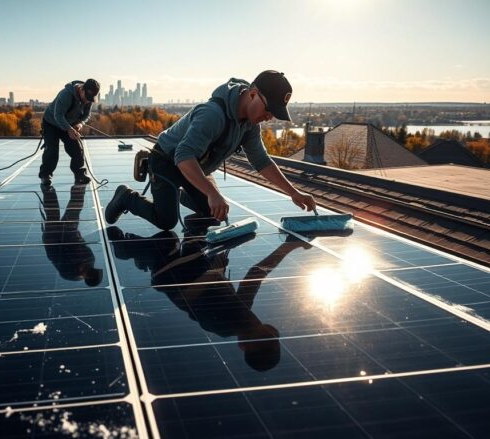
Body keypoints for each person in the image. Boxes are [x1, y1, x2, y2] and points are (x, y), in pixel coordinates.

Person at [105, 70, 316, 230]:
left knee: (214, 214)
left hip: (194, 167)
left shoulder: (250, 125)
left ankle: (181, 192)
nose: (270, 117)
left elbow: (261, 161)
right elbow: (183, 155)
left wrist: (294, 193)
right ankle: (126, 197)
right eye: (269, 110)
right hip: (167, 160)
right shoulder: (213, 114)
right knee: (166, 221)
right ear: (252, 94)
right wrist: (212, 192)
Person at [108, 225, 312, 371]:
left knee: (172, 237)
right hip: (183, 269)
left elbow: (184, 299)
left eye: (267, 338)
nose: (269, 332)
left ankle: (129, 249)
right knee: (201, 228)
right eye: (270, 337)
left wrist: (215, 273)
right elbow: (254, 275)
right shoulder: (242, 318)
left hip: (171, 274)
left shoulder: (227, 324)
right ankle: (140, 252)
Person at [39, 78, 100, 186]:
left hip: (69, 124)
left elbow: (86, 115)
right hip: (51, 123)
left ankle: (80, 174)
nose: (88, 101)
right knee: (52, 150)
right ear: (82, 89)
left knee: (77, 149)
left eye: (91, 99)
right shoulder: (66, 94)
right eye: (87, 98)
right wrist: (69, 129)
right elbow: (58, 115)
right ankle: (45, 175)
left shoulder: (88, 99)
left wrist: (80, 124)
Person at [41, 184, 103, 287]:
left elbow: (56, 256)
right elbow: (81, 242)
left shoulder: (70, 274)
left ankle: (47, 184)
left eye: (91, 272)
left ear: (87, 278)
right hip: (69, 233)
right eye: (93, 270)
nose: (91, 269)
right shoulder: (90, 259)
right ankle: (80, 184)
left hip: (53, 240)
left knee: (52, 212)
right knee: (75, 209)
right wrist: (73, 230)